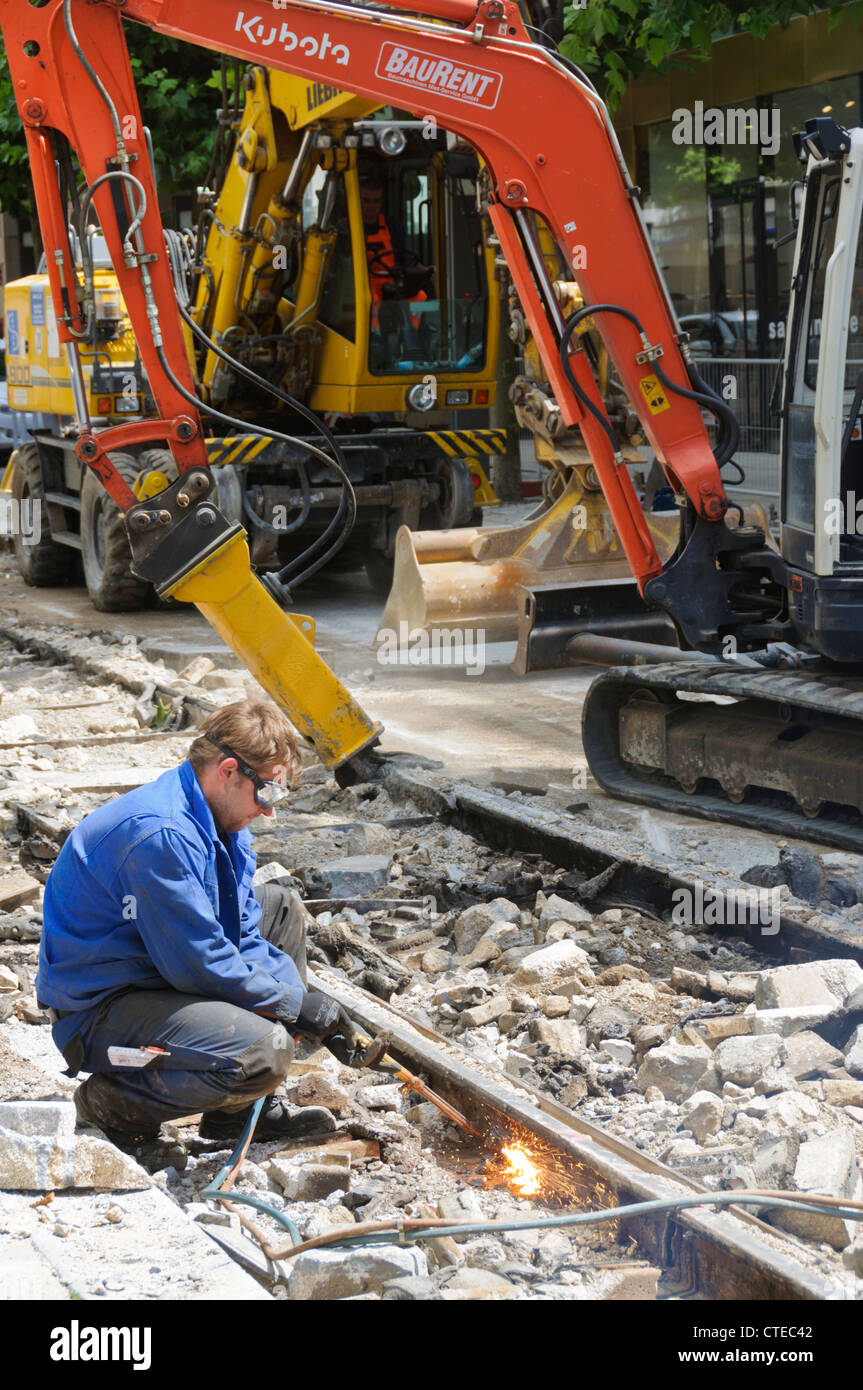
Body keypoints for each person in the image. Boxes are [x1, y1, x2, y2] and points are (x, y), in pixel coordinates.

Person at [36, 699, 357, 1149]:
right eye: (266, 792)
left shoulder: (223, 820)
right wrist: (289, 1008)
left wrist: (299, 1004)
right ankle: (112, 1104)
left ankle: (240, 1112)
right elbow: (200, 963)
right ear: (228, 770)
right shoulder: (161, 835)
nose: (268, 810)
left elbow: (242, 933)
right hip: (100, 1010)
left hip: (152, 968)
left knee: (279, 908)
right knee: (265, 1051)